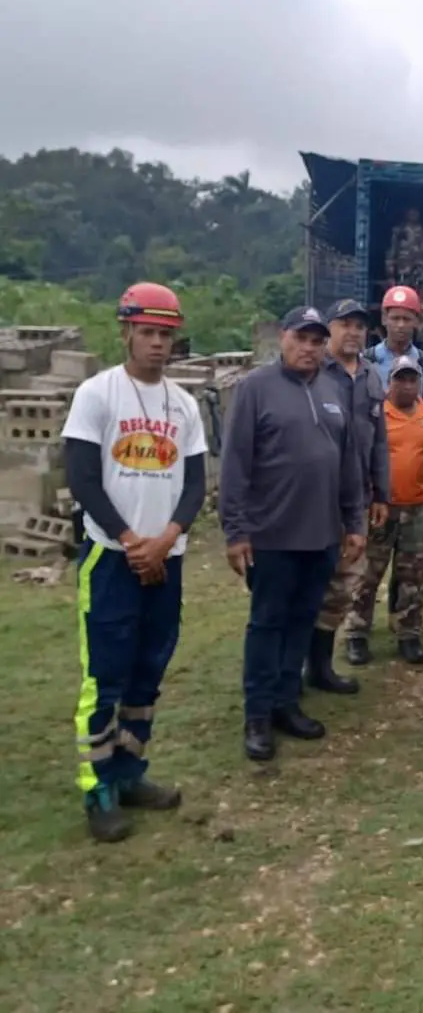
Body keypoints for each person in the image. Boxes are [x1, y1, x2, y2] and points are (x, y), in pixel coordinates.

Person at [62, 283, 207, 842]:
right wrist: (129, 539)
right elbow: (82, 478)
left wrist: (167, 536)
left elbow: (194, 483)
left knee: (149, 670)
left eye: (165, 334)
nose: (156, 343)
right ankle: (97, 787)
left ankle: (130, 771)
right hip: (110, 559)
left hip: (166, 559)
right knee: (105, 675)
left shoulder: (185, 404)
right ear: (126, 332)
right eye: (146, 332)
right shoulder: (98, 395)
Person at [219, 306, 366, 762]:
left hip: (322, 535)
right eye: (301, 338)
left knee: (302, 621)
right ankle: (258, 715)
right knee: (267, 624)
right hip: (272, 535)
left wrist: (354, 521)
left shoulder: (331, 389)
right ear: (283, 338)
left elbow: (347, 462)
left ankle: (287, 703)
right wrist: (236, 531)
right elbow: (235, 465)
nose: (310, 347)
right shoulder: (254, 390)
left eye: (317, 340)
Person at [307, 298, 389, 685]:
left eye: (360, 326)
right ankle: (293, 666)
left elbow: (379, 442)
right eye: (345, 324)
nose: (354, 332)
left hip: (356, 496)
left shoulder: (372, 376)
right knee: (308, 581)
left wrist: (381, 494)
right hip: (314, 495)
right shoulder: (314, 373)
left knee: (343, 583)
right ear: (330, 330)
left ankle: (321, 666)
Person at [348, 356, 423, 664]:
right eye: (401, 379)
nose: (407, 384)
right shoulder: (377, 415)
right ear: (390, 382)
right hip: (382, 507)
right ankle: (357, 633)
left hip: (419, 508)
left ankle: (409, 633)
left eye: (413, 379)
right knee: (368, 573)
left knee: (414, 575)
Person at [371, 285, 423, 405]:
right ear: (384, 319)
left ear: (416, 321)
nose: (401, 325)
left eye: (406, 319)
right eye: (395, 318)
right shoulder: (367, 361)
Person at [385, 207, 423, 342]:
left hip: (421, 277)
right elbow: (391, 255)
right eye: (411, 212)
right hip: (404, 277)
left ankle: (422, 341)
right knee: (402, 309)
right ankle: (402, 340)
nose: (413, 214)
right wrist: (390, 276)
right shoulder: (399, 232)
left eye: (416, 212)